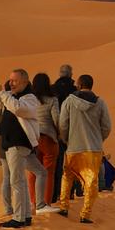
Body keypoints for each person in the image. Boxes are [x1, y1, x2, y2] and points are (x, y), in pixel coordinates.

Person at [0, 68, 42, 228]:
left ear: (25, 82)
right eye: (10, 80)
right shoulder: (11, 97)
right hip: (10, 143)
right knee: (19, 181)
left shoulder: (30, 99)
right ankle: (26, 216)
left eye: (15, 80)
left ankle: (18, 218)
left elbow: (18, 109)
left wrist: (4, 93)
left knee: (16, 180)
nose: (11, 83)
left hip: (19, 143)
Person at [57, 73, 111, 223]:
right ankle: (85, 214)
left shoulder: (68, 101)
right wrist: (98, 140)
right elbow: (107, 126)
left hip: (73, 147)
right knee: (91, 182)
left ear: (79, 85)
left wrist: (67, 139)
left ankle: (64, 207)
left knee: (67, 177)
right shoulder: (100, 103)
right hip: (93, 150)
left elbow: (62, 124)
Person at [25, 72, 62, 214]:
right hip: (48, 138)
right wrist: (60, 134)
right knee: (48, 172)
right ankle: (45, 203)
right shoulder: (52, 100)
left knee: (33, 171)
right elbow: (57, 119)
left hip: (32, 138)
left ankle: (34, 202)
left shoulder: (29, 100)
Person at [52, 64, 77, 197]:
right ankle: (69, 192)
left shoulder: (53, 89)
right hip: (72, 129)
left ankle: (55, 193)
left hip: (56, 130)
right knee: (71, 161)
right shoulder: (74, 90)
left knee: (57, 162)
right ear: (71, 74)